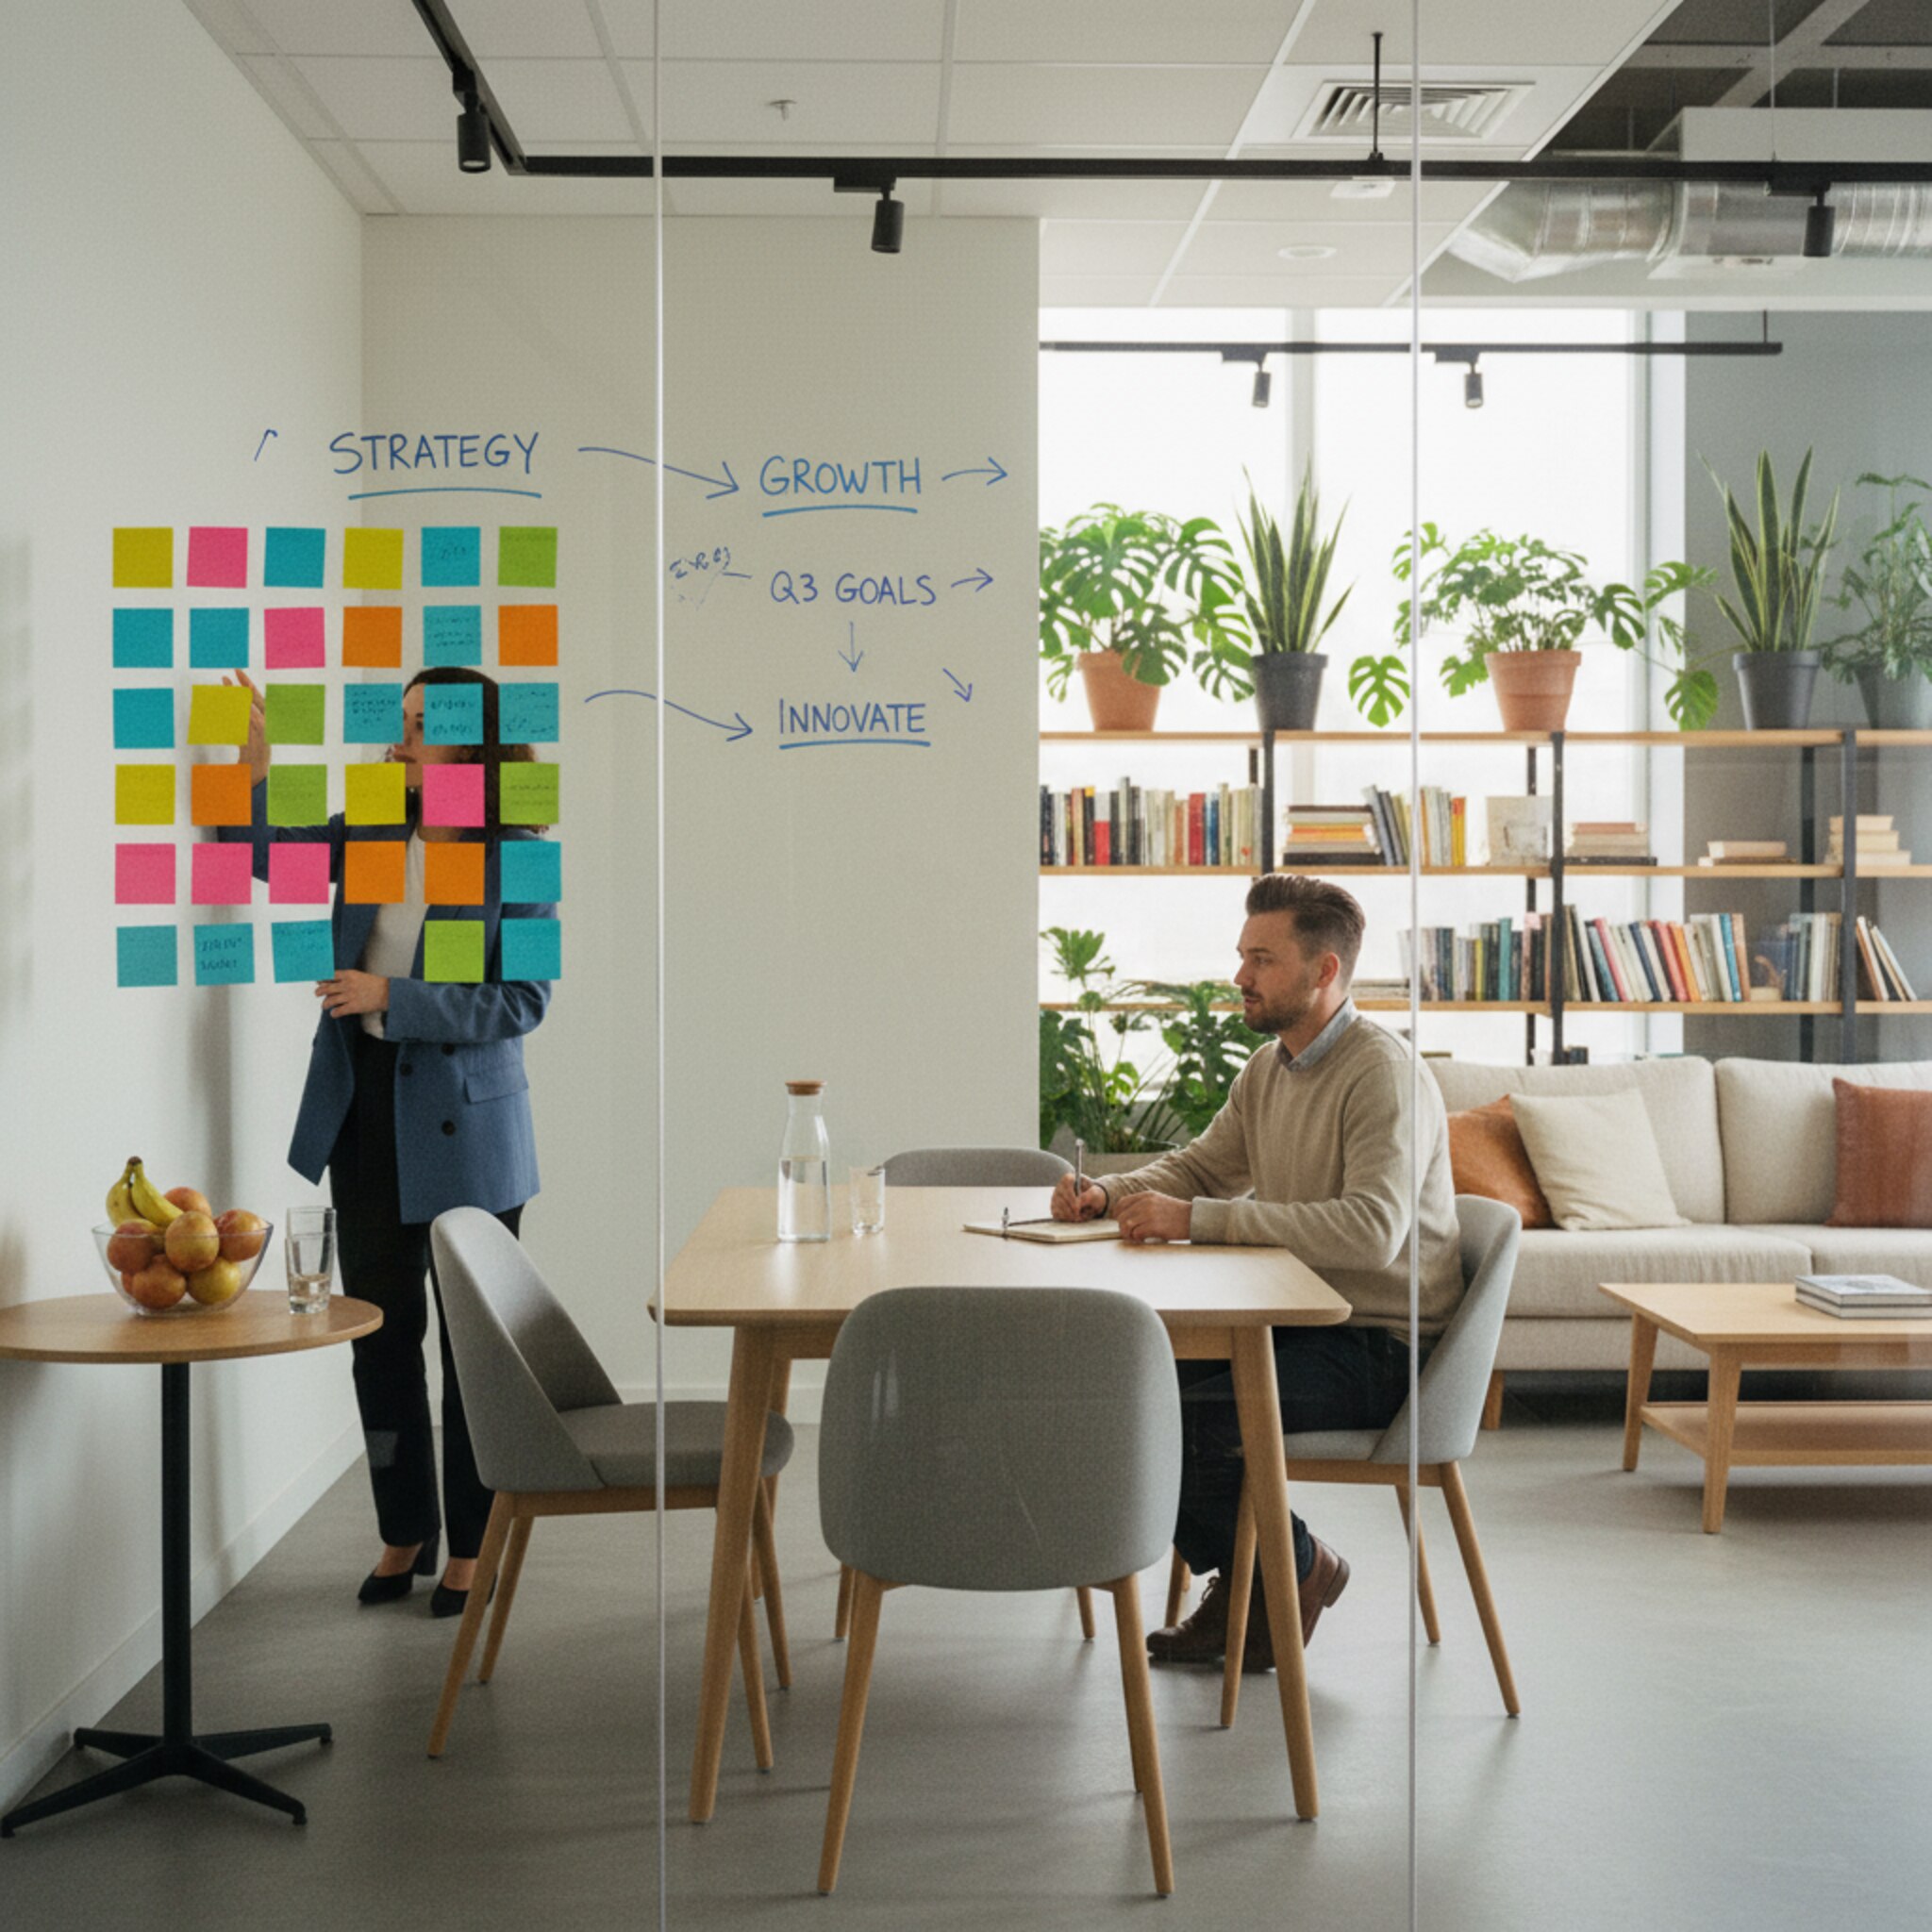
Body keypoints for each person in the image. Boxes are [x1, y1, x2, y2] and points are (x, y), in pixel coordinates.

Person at [1051, 874, 1460, 1670]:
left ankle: (1285, 1578)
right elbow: (1201, 1169)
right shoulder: (1271, 1069)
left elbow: (1371, 1232)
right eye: (1243, 956)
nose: (1240, 975)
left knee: (1191, 1426)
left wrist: (1197, 1222)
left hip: (1383, 1345)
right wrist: (1107, 1194)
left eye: (1262, 960)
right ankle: (1277, 1578)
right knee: (1131, 1393)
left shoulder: (1384, 1075)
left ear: (1324, 971)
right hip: (1301, 1322)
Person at [223, 665, 555, 1616]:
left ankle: (474, 1544)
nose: (401, 741)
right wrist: (255, 765)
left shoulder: (521, 857)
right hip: (365, 1111)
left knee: (472, 1351)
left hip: (470, 1125)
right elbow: (268, 856)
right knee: (377, 1335)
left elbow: (523, 1002)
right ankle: (403, 1528)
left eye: (421, 726)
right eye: (401, 722)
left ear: (473, 745)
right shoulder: (373, 828)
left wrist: (390, 997)